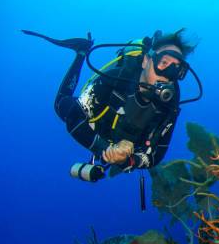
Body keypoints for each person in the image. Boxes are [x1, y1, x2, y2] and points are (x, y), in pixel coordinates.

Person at [43, 29, 196, 175]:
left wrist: (128, 160)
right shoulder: (115, 78)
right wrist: (107, 149)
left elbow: (155, 156)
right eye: (163, 63)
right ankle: (81, 52)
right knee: (61, 106)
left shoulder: (170, 102)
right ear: (146, 61)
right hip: (96, 119)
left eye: (176, 69)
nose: (167, 75)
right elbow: (73, 119)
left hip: (124, 139)